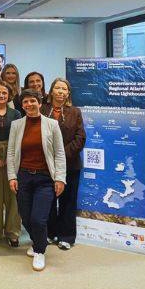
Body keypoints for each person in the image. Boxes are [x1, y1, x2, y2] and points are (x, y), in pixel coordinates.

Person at [6, 89, 66, 272]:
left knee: (38, 219)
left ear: (39, 103)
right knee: (25, 216)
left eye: (32, 101)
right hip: (23, 177)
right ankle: (38, 241)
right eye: (25, 102)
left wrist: (60, 178)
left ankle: (40, 250)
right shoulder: (16, 125)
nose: (29, 104)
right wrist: (12, 176)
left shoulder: (52, 124)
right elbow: (11, 152)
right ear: (22, 105)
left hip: (45, 179)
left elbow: (59, 153)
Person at [44, 78, 85, 250]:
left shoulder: (75, 112)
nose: (60, 91)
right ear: (51, 91)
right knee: (48, 200)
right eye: (57, 88)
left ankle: (66, 236)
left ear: (68, 93)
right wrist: (50, 157)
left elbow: (80, 138)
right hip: (46, 164)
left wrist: (61, 156)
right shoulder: (42, 109)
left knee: (68, 201)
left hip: (70, 164)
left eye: (64, 89)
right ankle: (50, 233)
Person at [0, 82, 22, 247]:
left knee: (12, 195)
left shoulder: (16, 114)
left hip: (12, 156)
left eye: (4, 93)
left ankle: (12, 232)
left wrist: (10, 157)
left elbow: (19, 137)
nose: (1, 95)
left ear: (9, 95)